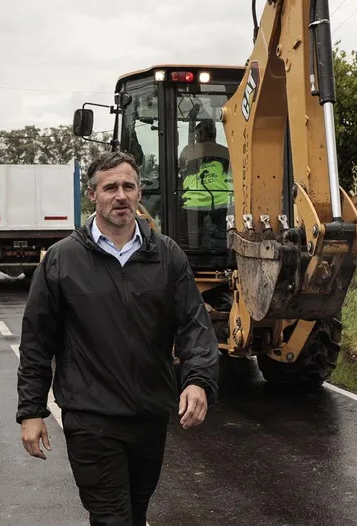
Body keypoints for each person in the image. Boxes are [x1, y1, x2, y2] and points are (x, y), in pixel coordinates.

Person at [16, 151, 219, 525]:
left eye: (128, 186)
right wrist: (31, 410)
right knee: (112, 517)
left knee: (135, 512)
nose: (120, 195)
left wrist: (197, 380)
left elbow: (193, 324)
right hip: (91, 418)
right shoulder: (62, 260)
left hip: (149, 416)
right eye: (111, 187)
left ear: (140, 192)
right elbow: (36, 343)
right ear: (93, 195)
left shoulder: (166, 255)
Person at [178, 119, 233, 250]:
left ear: (202, 134)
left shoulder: (188, 151)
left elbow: (180, 171)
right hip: (222, 203)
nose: (196, 139)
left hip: (193, 204)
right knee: (221, 242)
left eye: (197, 135)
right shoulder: (225, 152)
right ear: (214, 134)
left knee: (188, 242)